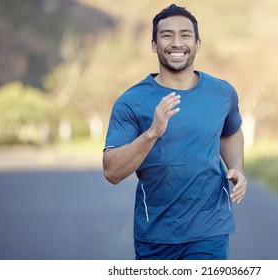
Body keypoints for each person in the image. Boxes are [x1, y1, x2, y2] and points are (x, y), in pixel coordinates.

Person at [102, 3, 247, 260]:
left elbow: (231, 131)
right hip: (155, 235)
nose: (176, 43)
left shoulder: (222, 93)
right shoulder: (131, 101)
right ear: (154, 44)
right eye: (166, 35)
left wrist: (237, 167)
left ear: (198, 44)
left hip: (210, 230)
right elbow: (112, 172)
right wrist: (151, 133)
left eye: (185, 35)